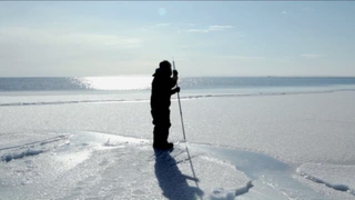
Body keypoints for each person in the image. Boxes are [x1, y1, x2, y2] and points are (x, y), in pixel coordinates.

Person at [151, 60, 180, 150]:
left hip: (157, 105)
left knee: (160, 124)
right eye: (169, 68)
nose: (170, 70)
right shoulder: (161, 77)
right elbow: (166, 90)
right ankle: (162, 143)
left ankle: (158, 143)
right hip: (160, 106)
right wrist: (175, 90)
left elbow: (170, 84)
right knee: (163, 124)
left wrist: (175, 76)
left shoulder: (160, 76)